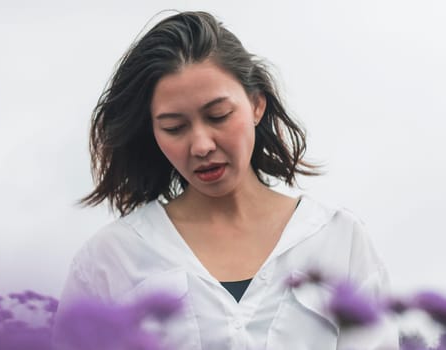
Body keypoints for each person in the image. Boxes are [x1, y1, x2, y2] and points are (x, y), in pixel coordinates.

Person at [55, 11, 399, 349]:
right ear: (153, 133)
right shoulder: (109, 259)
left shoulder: (339, 239)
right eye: (174, 128)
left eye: (218, 115)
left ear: (256, 104)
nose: (202, 145)